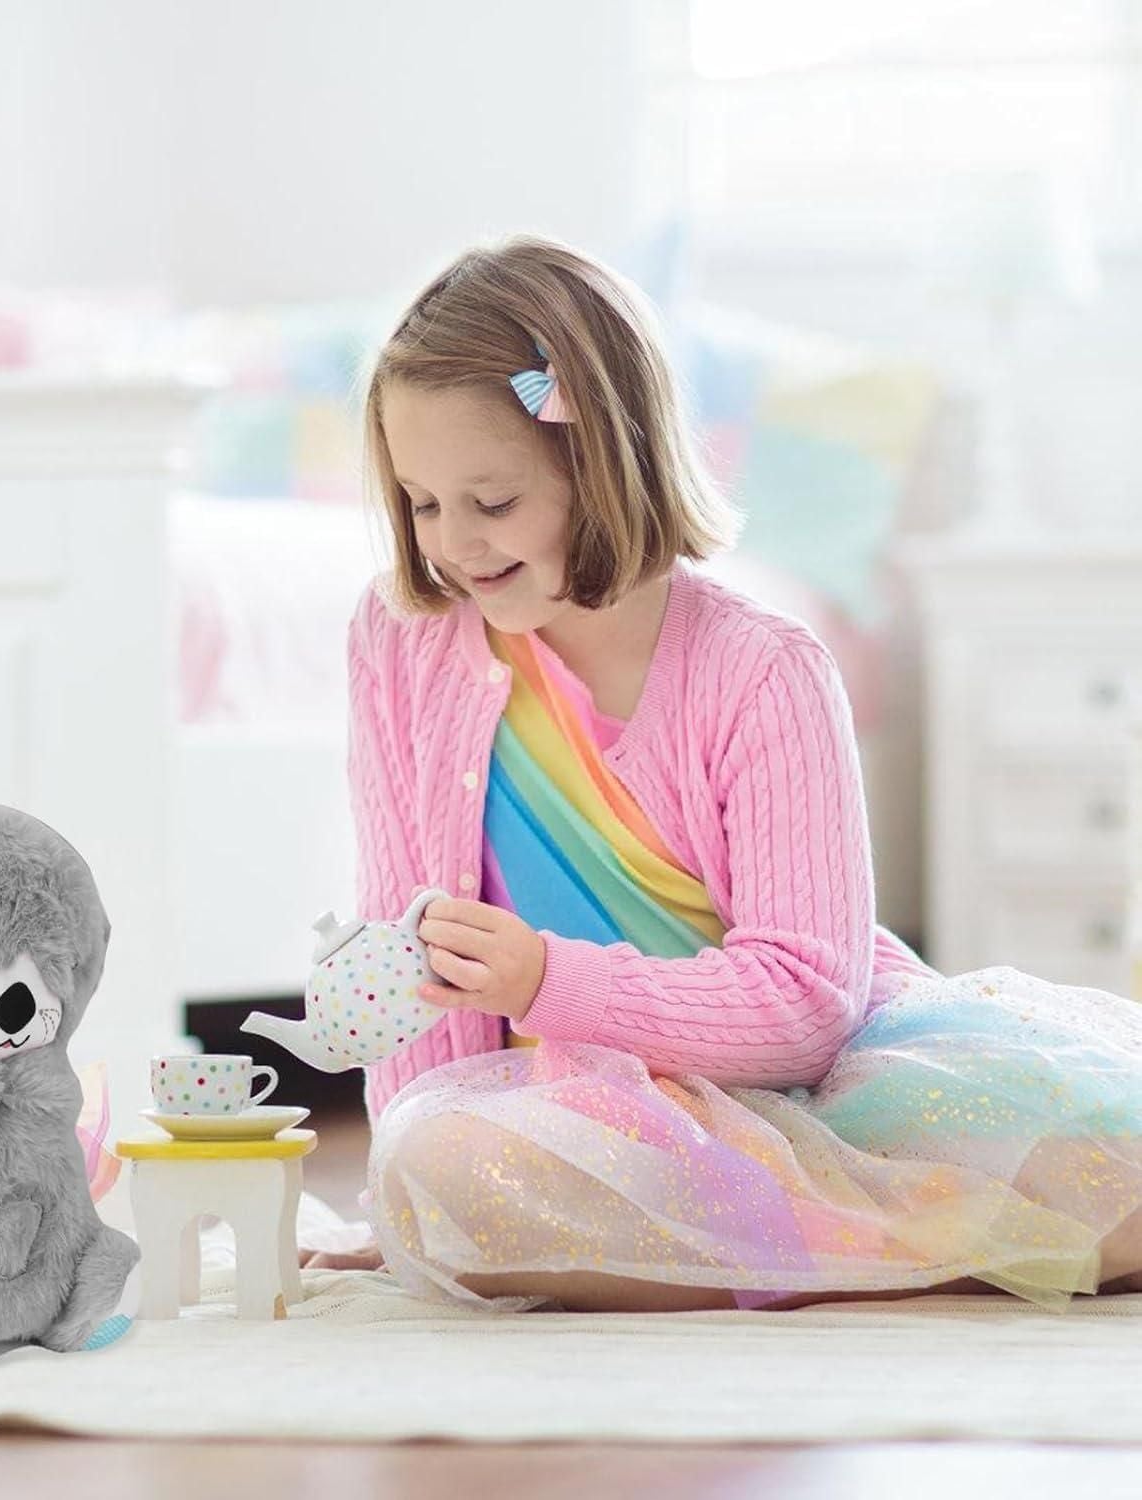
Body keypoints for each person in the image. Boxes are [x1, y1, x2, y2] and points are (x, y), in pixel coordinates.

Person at [301, 233, 1142, 1314]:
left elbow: (805, 1008)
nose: (454, 544)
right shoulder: (402, 637)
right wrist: (401, 1195)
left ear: (600, 461)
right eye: (421, 503)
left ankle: (839, 1242)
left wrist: (546, 981)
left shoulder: (765, 668)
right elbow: (413, 950)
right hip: (580, 1112)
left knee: (1101, 1161)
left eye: (493, 502)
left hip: (815, 1086)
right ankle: (908, 1247)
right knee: (434, 1178)